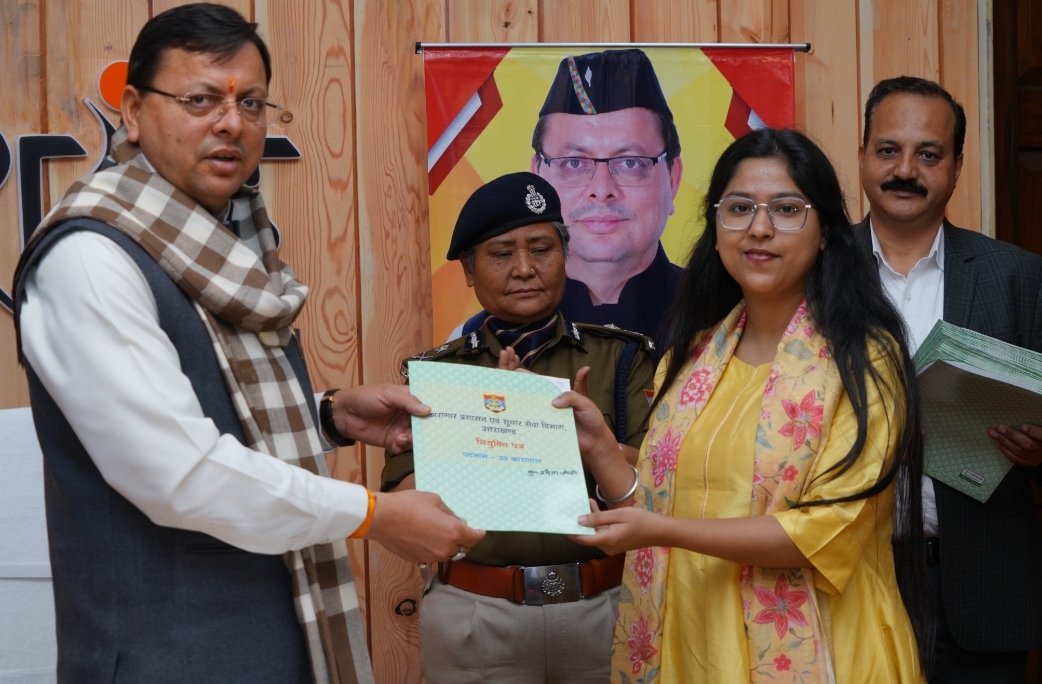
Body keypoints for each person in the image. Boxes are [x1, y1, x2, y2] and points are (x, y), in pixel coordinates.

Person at [11, 5, 483, 684]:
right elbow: (179, 474)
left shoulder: (217, 240)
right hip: (162, 660)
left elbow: (203, 403)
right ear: (134, 112)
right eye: (200, 100)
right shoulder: (90, 258)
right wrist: (374, 514)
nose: (232, 123)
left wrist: (328, 414)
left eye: (252, 103)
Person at [560, 128, 933, 683]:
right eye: (739, 208)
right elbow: (658, 501)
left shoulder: (864, 361)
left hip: (825, 648)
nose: (759, 228)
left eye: (787, 209)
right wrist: (601, 450)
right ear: (715, 229)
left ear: (826, 232)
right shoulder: (691, 356)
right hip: (692, 643)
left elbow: (820, 533)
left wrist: (662, 531)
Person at [381, 172, 656, 683]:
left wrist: (569, 437)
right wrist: (495, 432)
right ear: (469, 271)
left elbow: (660, 482)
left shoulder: (620, 360)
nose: (525, 269)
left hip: (607, 604)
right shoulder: (439, 375)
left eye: (541, 249)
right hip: (477, 612)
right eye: (502, 253)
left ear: (565, 256)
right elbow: (404, 499)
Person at [855, 76, 1042, 683]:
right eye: (888, 150)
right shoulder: (817, 273)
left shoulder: (1016, 277)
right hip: (847, 576)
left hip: (981, 588)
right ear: (863, 156)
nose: (905, 170)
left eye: (928, 154)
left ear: (958, 166)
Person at [461, 49, 683, 344]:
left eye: (631, 162)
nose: (601, 189)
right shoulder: (478, 339)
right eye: (574, 163)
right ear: (539, 177)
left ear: (672, 178)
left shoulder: (724, 320)